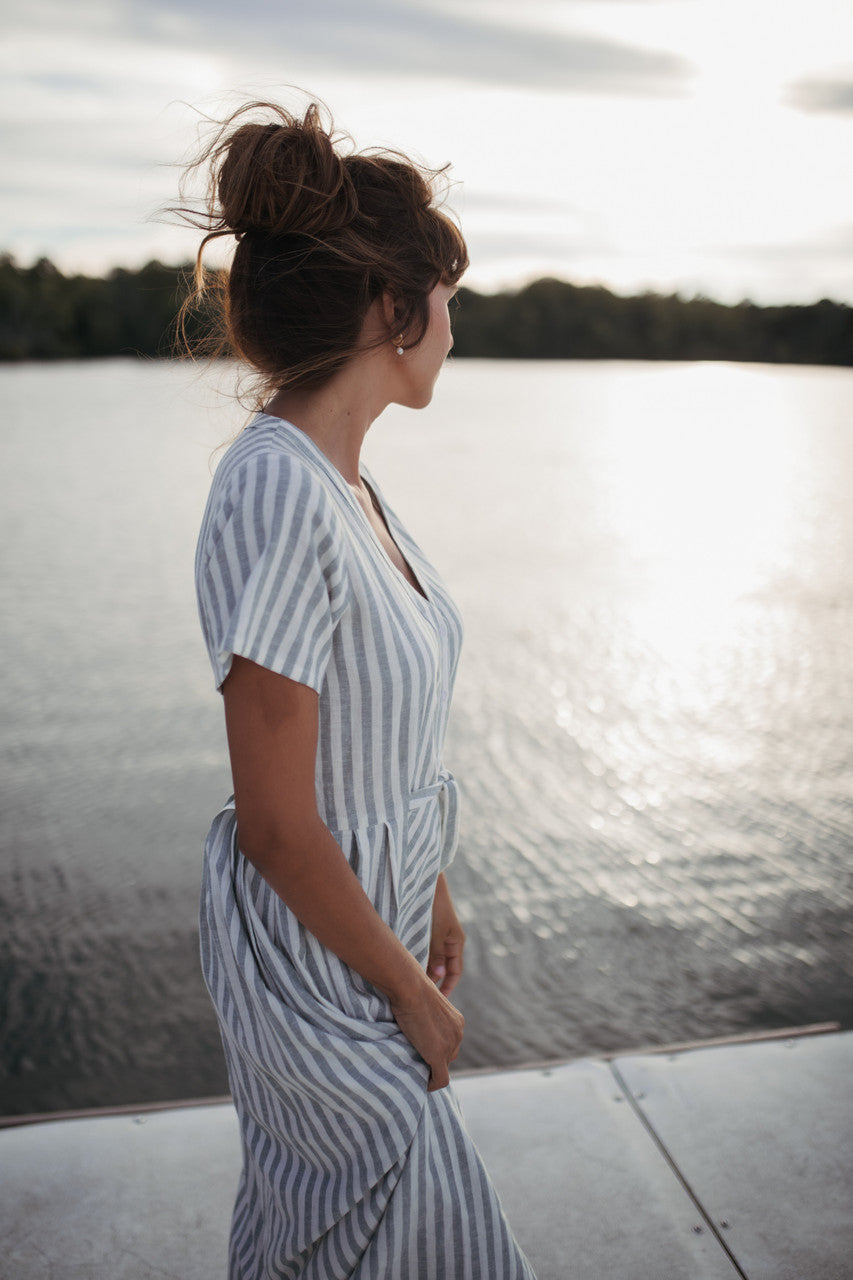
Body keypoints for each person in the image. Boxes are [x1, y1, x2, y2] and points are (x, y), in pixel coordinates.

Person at [186, 100, 536, 1279]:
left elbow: (374, 741)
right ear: (395, 309)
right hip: (317, 966)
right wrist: (412, 997)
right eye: (446, 294)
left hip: (367, 932)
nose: (453, 322)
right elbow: (281, 821)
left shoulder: (350, 486)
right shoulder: (280, 488)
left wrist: (427, 884)